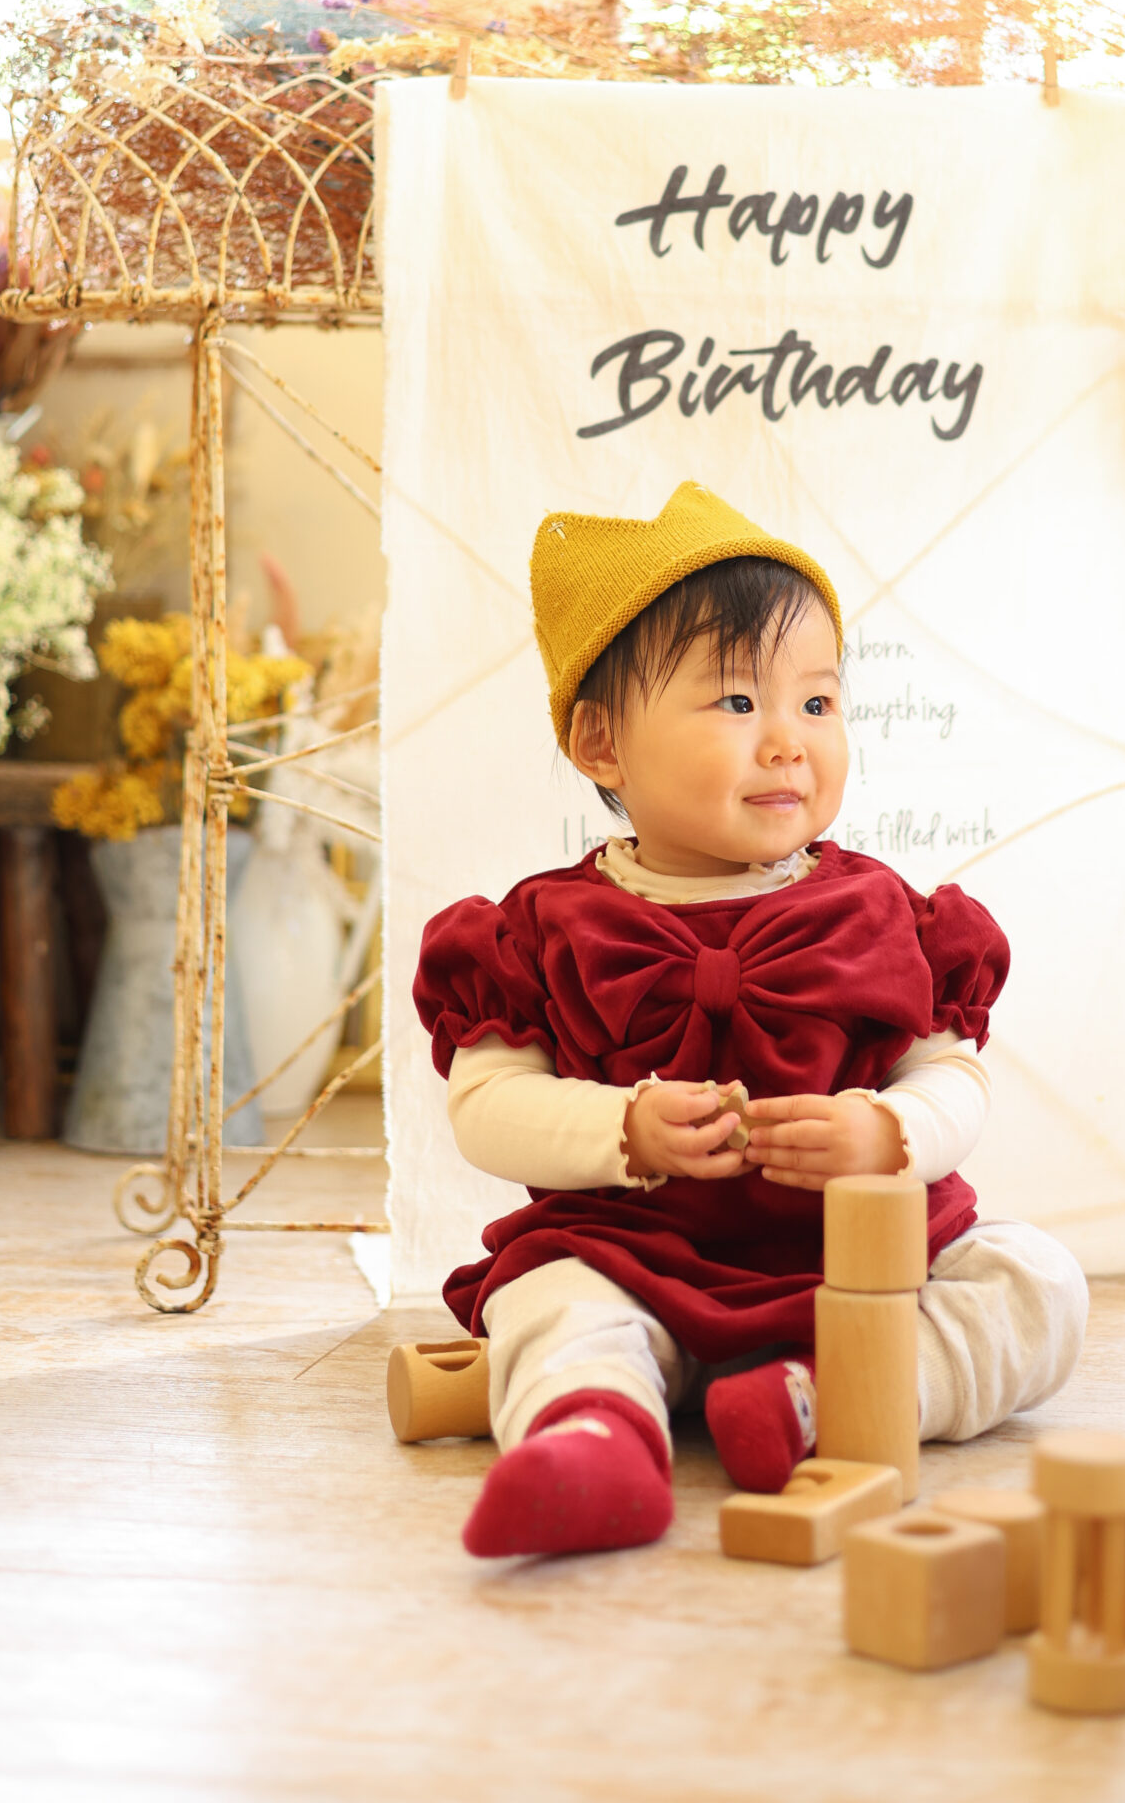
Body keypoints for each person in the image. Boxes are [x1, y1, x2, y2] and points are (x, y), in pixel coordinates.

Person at [413, 480, 1088, 1558]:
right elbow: (485, 1105)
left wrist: (887, 1132)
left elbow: (955, 1075)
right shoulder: (540, 928)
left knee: (1037, 1283)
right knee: (548, 1299)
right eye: (736, 703)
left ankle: (825, 1398)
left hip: (859, 1265)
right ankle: (596, 1436)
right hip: (633, 1251)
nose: (787, 742)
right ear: (602, 743)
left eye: (816, 705)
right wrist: (622, 1129)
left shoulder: (881, 911)